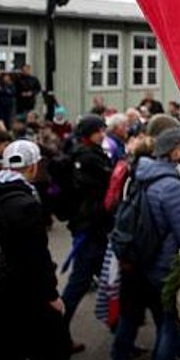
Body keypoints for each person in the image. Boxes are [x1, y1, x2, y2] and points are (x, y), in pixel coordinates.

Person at [105, 126, 180, 360]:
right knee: (170, 327)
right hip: (165, 267)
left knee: (161, 323)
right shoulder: (171, 185)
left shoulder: (143, 174)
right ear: (174, 152)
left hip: (144, 263)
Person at [0, 140, 71, 360]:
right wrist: (51, 296)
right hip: (21, 297)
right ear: (34, 166)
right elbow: (35, 257)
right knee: (56, 351)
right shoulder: (25, 203)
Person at [61, 114, 113, 344]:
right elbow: (98, 191)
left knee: (109, 282)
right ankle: (57, 334)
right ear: (88, 134)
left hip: (92, 228)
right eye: (98, 131)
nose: (102, 134)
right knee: (80, 283)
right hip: (90, 228)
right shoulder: (88, 158)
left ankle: (122, 337)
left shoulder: (85, 154)